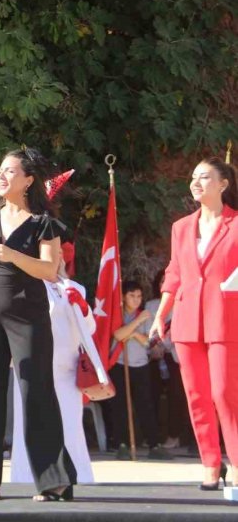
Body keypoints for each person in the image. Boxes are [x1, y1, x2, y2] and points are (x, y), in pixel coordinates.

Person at [0, 147, 76, 501]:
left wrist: (12, 254)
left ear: (27, 180)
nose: (2, 176)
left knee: (35, 390)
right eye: (0, 170)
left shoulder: (43, 222)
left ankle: (53, 479)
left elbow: (49, 270)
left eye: (10, 171)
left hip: (27, 313)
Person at [150, 156, 238, 490]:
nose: (195, 183)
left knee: (225, 393)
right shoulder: (182, 227)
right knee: (197, 396)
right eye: (193, 177)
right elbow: (175, 272)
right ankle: (210, 464)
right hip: (187, 321)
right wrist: (161, 314)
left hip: (225, 320)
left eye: (204, 177)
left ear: (223, 184)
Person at [10, 242, 95, 483]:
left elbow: (88, 330)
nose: (57, 257)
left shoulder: (74, 287)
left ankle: (77, 476)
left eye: (59, 254)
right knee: (27, 424)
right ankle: (26, 478)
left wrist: (84, 308)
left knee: (70, 424)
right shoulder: (27, 284)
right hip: (31, 363)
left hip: (67, 367)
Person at [109, 281, 171, 461]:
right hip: (119, 365)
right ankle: (122, 444)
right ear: (123, 297)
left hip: (140, 365)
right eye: (131, 296)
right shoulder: (121, 315)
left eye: (138, 296)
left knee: (145, 405)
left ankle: (154, 444)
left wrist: (133, 333)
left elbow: (149, 342)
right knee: (120, 406)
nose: (136, 300)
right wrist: (136, 324)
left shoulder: (146, 315)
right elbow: (118, 335)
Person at [145, 270, 193, 451]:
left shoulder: (184, 303)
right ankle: (154, 436)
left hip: (176, 355)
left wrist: (168, 346)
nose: (164, 285)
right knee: (151, 393)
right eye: (162, 282)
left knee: (177, 396)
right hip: (154, 356)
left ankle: (175, 435)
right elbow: (146, 329)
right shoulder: (151, 305)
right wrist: (153, 347)